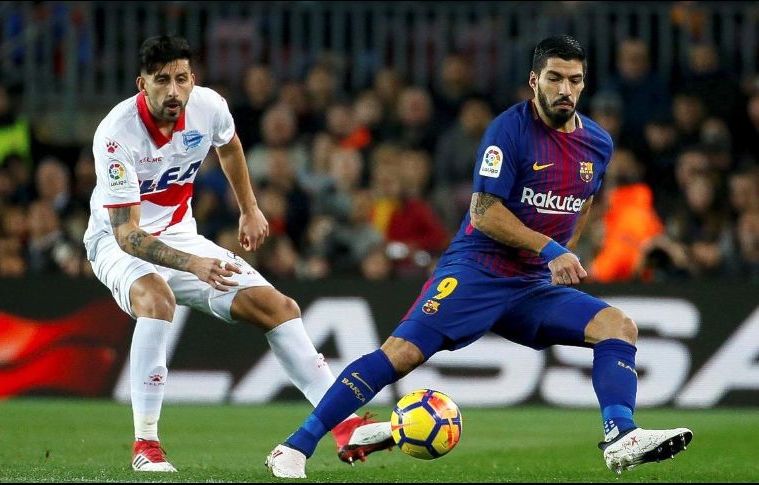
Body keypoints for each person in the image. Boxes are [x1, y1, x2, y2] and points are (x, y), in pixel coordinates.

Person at [266, 35, 692, 479]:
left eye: (575, 80)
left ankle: (621, 436)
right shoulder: (508, 131)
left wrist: (561, 254)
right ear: (534, 80)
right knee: (402, 354)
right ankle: (295, 446)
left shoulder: (598, 144)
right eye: (555, 78)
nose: (565, 89)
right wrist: (550, 248)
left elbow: (583, 201)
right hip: (477, 271)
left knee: (618, 327)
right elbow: (483, 211)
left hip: (531, 286)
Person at [82, 35, 392, 473]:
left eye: (182, 79)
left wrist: (250, 209)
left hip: (180, 234)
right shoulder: (116, 135)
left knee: (278, 307)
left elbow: (229, 145)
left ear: (194, 80)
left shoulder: (208, 107)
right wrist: (195, 264)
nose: (174, 91)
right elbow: (128, 234)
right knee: (158, 300)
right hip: (116, 244)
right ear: (142, 84)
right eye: (162, 80)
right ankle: (146, 445)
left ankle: (344, 426)